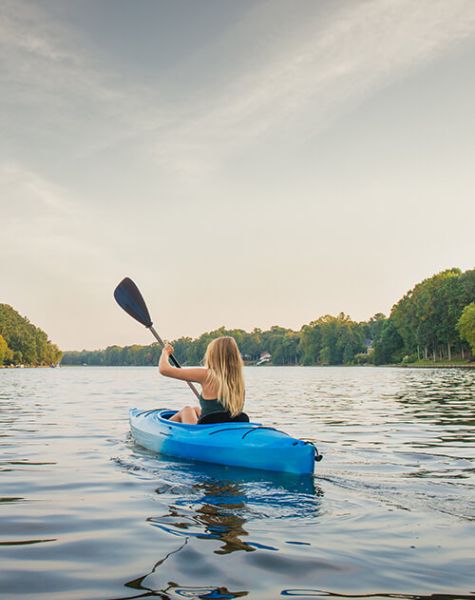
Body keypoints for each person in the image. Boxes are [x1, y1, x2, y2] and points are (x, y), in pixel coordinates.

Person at [158, 336, 246, 424]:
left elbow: (164, 369)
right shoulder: (239, 382)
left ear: (213, 356)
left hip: (206, 431)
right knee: (196, 409)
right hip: (228, 428)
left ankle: (162, 429)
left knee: (187, 410)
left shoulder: (208, 375)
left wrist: (165, 353)